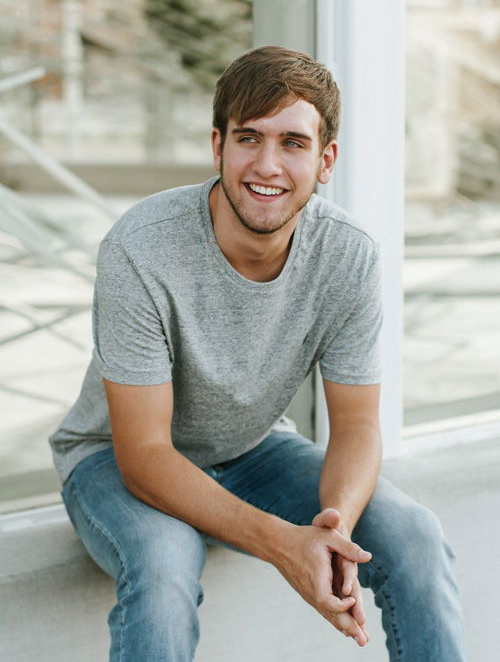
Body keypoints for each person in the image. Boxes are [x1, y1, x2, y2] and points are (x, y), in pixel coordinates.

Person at [50, 45, 466, 661]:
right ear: (217, 146)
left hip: (251, 448)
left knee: (413, 536)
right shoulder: (140, 249)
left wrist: (334, 527)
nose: (267, 164)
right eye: (249, 138)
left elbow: (355, 426)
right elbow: (144, 456)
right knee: (165, 565)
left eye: (293, 143)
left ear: (325, 161)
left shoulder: (347, 255)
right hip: (113, 457)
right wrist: (283, 544)